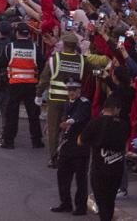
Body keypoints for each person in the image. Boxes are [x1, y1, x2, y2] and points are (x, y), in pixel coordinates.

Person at [38, 32, 110, 168]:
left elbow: (44, 78)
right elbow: (95, 71)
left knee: (54, 129)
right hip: (73, 101)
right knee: (72, 128)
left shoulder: (55, 59)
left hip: (55, 100)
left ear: (64, 45)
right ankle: (69, 156)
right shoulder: (82, 60)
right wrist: (107, 75)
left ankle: (54, 159)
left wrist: (38, 93)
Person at [79, 94, 130, 221]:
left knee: (101, 202)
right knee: (110, 201)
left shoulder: (95, 122)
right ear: (117, 109)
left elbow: (80, 140)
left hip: (99, 169)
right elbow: (126, 144)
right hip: (116, 170)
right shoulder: (123, 125)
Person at [1, 22, 44, 150]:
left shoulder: (10, 47)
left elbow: (1, 63)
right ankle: (36, 141)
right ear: (29, 35)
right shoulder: (35, 48)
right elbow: (42, 65)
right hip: (31, 85)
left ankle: (9, 141)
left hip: (14, 84)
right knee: (33, 114)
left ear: (16, 33)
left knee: (12, 114)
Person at [52, 80, 92, 215]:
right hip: (67, 146)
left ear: (79, 91)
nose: (71, 93)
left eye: (74, 90)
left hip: (80, 147)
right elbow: (64, 118)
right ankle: (65, 203)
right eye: (69, 90)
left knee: (81, 180)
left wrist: (69, 122)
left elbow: (79, 116)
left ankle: (80, 207)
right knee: (62, 176)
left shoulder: (84, 103)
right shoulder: (67, 103)